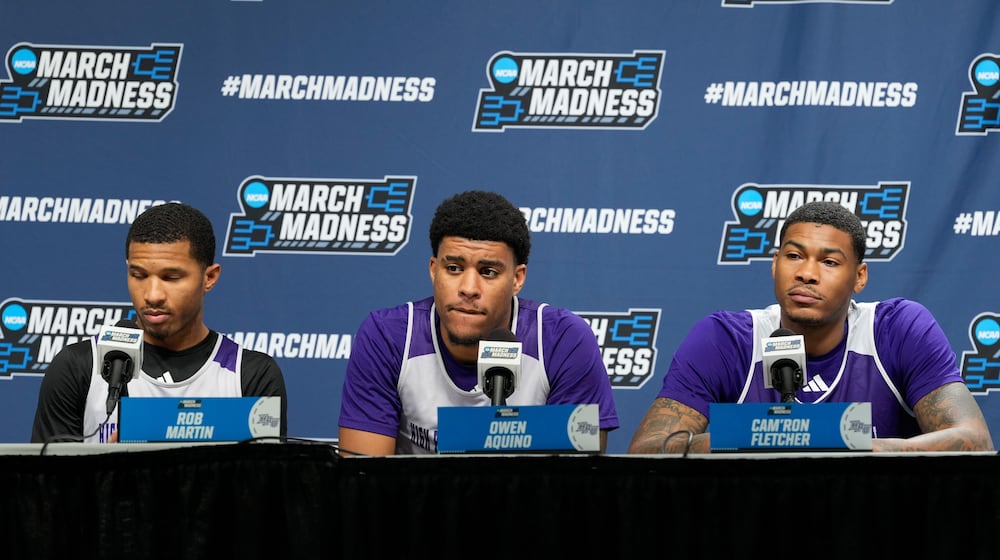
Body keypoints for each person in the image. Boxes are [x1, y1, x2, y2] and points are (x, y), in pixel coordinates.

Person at [628, 200, 993, 454]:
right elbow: (647, 449)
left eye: (830, 261)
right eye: (793, 256)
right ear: (775, 264)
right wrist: (759, 435)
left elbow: (974, 441)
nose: (806, 273)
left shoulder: (897, 328)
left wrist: (846, 443)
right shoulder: (725, 338)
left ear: (860, 277)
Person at [338, 189, 620, 455]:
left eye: (488, 271)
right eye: (454, 268)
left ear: (517, 279)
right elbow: (364, 486)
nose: (468, 288)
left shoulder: (564, 341)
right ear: (434, 270)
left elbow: (576, 488)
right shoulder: (387, 337)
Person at [31, 202, 288, 444]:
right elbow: (46, 487)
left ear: (209, 277)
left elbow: (265, 487)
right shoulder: (78, 367)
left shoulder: (251, 375)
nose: (152, 294)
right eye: (138, 275)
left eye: (171, 277)